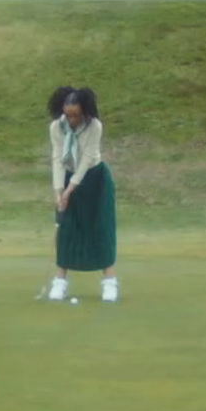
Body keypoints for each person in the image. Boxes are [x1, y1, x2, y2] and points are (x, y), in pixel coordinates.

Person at [47, 87, 118, 302]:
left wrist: (70, 189)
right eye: (68, 115)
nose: (72, 120)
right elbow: (58, 158)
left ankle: (109, 283)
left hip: (95, 179)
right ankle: (60, 282)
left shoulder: (94, 126)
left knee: (101, 228)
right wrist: (59, 191)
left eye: (76, 115)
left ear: (85, 111)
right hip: (69, 177)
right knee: (67, 229)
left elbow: (87, 159)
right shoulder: (56, 127)